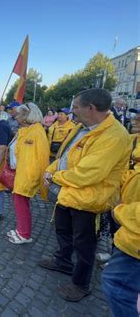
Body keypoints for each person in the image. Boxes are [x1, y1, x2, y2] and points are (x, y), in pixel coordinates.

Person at [39, 89, 131, 302]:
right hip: (69, 194)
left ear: (91, 108)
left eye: (76, 107)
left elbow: (88, 174)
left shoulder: (114, 136)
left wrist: (55, 177)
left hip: (89, 200)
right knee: (62, 230)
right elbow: (65, 155)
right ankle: (62, 261)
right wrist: (51, 169)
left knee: (84, 244)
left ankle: (80, 284)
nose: (72, 112)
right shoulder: (83, 127)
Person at [102, 108, 140, 316]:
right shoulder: (131, 140)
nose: (135, 118)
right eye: (135, 114)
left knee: (116, 287)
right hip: (124, 211)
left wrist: (120, 211)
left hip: (133, 231)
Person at [6, 103, 50, 244]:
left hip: (27, 175)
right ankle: (21, 230)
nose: (16, 116)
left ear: (27, 115)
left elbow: (42, 157)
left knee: (21, 203)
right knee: (19, 203)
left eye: (19, 114)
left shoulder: (36, 131)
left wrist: (36, 179)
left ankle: (24, 234)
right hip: (21, 173)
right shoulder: (26, 130)